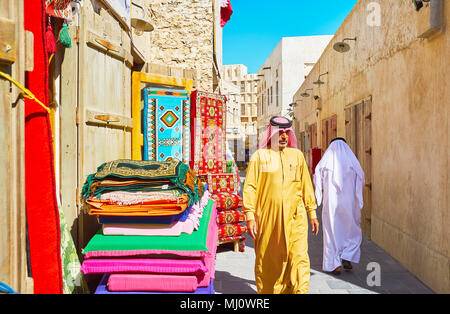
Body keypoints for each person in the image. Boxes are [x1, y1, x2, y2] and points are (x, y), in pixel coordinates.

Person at [243, 116, 319, 294]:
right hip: (269, 220)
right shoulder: (260, 157)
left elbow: (306, 184)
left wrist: (312, 212)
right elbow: (250, 188)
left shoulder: (297, 156)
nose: (284, 136)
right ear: (272, 133)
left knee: (299, 259)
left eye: (287, 132)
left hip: (296, 219)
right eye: (280, 132)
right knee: (270, 262)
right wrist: (249, 216)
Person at [313, 138, 365, 275]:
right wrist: (359, 198)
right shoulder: (352, 161)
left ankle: (334, 264)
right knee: (350, 230)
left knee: (331, 231)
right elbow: (361, 177)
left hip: (331, 204)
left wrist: (318, 197)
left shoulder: (326, 161)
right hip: (349, 204)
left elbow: (316, 175)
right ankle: (347, 255)